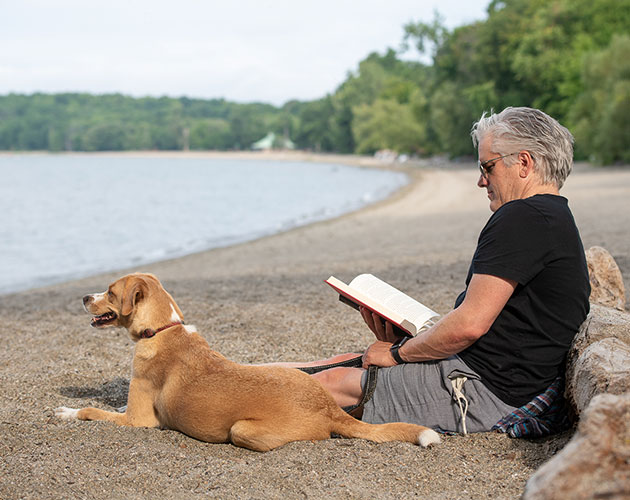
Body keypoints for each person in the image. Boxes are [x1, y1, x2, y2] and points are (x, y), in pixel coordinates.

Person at [276, 107, 591, 434]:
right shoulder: (552, 217)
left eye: (488, 167)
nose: (481, 180)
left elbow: (469, 326)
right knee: (335, 363)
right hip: (499, 379)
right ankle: (233, 378)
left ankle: (232, 394)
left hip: (488, 391)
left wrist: (398, 354)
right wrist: (413, 342)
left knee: (334, 382)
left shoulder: (522, 217)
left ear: (524, 163)